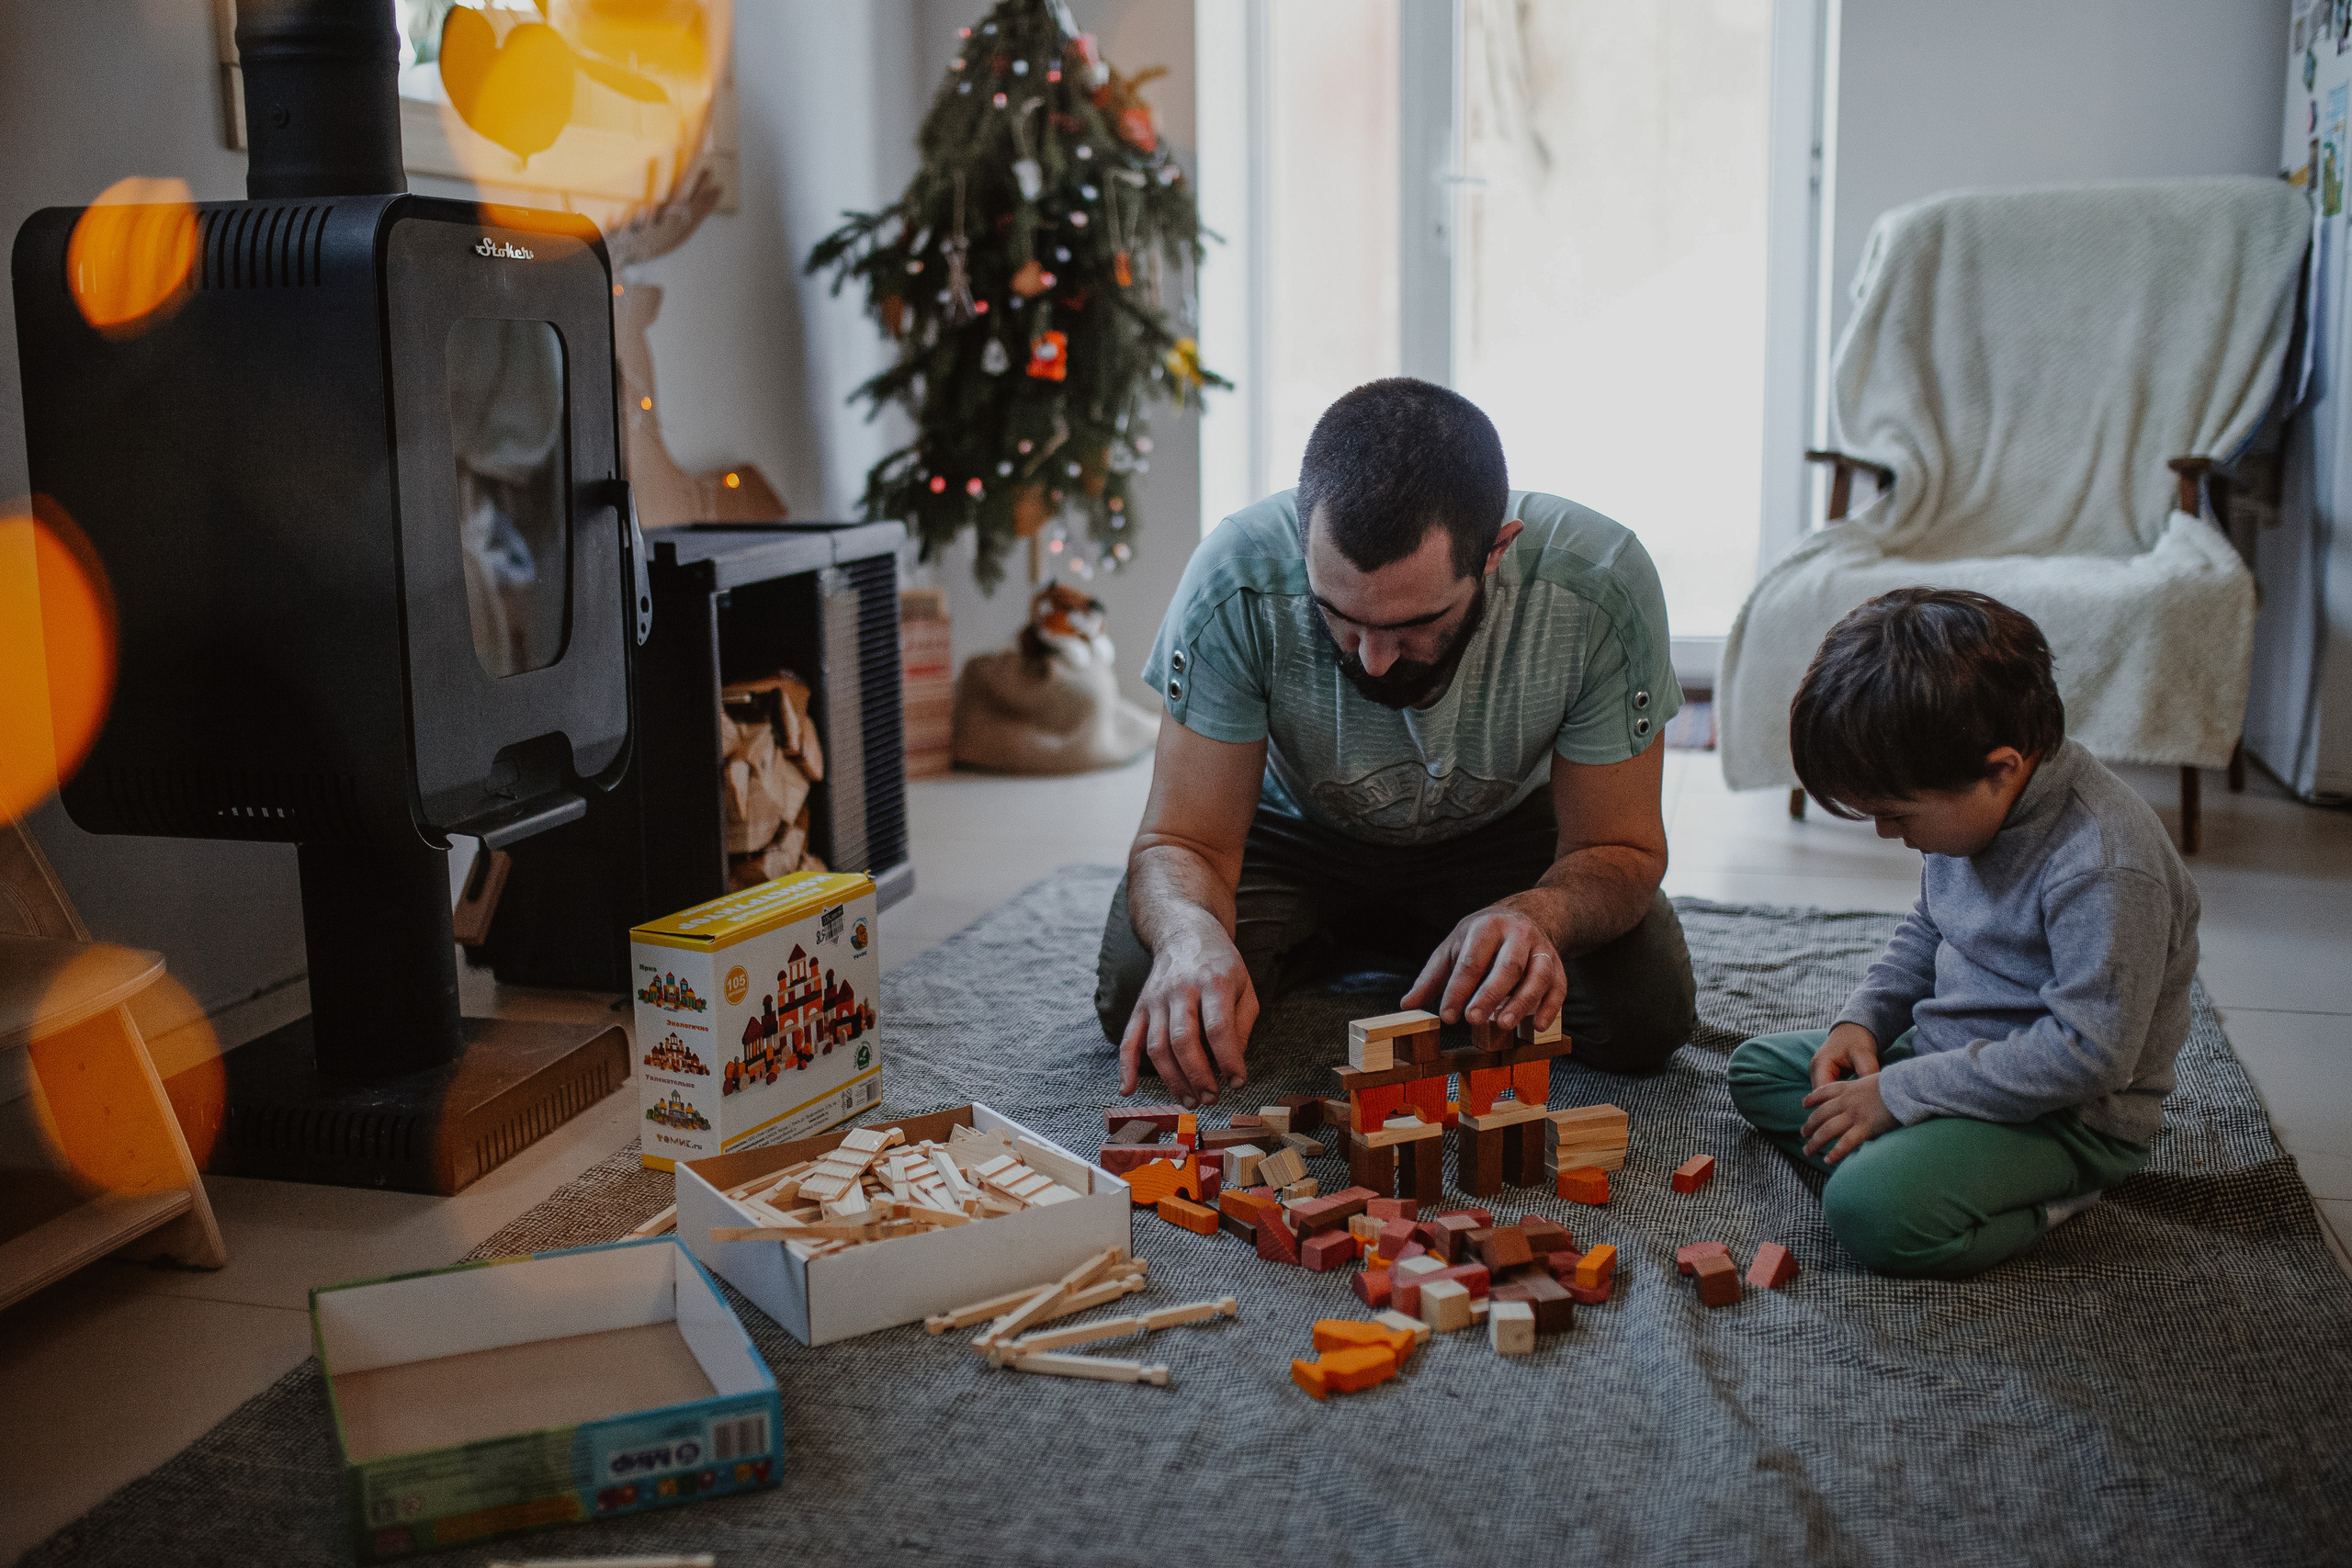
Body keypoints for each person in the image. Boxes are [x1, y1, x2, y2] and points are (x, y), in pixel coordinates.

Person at [1097, 378, 1697, 1108]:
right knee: (1148, 994)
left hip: (1501, 839)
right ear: (1301, 541)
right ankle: (1365, 939)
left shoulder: (1601, 587)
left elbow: (1620, 846)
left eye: (1414, 625)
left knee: (1644, 1012)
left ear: (1495, 550)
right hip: (1293, 834)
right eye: (1339, 616)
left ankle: (1394, 941)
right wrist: (1189, 934)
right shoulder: (1234, 578)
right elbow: (1182, 839)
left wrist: (1538, 915)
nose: (1373, 660)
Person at [1727, 588, 2198, 1279]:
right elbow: (1930, 925)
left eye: (1896, 815)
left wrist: (1899, 1094)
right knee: (1756, 1069)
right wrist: (1863, 1020)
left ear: (2000, 770)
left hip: (2063, 1116)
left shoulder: (2105, 865)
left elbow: (2091, 1056)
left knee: (1866, 1208)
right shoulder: (1971, 810)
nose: (1886, 834)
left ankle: (2040, 1196)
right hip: (1946, 1054)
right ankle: (1924, 1160)